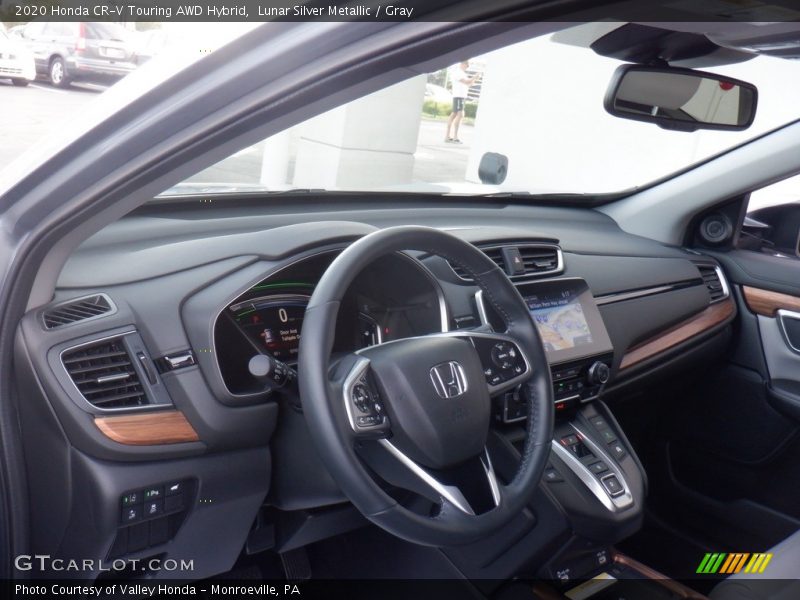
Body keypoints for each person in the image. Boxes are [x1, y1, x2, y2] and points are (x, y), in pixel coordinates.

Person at [445, 60, 479, 144]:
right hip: (458, 96)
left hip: (461, 96)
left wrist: (475, 79)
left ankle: (448, 136)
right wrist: (475, 77)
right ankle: (454, 137)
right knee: (460, 114)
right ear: (462, 64)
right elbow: (467, 82)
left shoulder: (463, 73)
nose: (467, 66)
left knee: (455, 114)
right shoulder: (457, 73)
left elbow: (469, 84)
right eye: (467, 64)